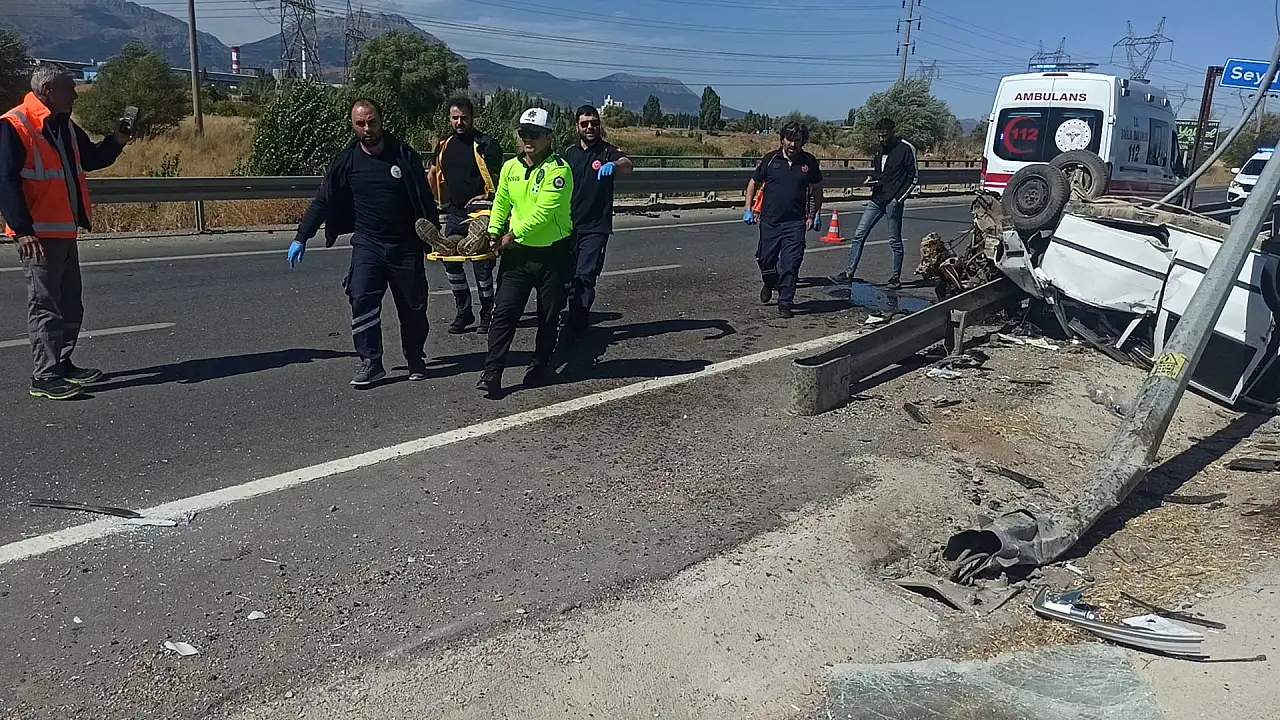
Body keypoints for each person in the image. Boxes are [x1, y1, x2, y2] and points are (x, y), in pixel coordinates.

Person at [0, 65, 131, 400]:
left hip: (63, 229)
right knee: (45, 306)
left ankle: (62, 362)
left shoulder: (64, 126)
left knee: (71, 303)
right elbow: (6, 182)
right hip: (38, 235)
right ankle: (44, 376)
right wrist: (23, 230)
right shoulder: (16, 124)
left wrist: (117, 140)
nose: (74, 94)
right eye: (68, 88)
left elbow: (90, 159)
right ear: (47, 90)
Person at [288, 98, 440, 387]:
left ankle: (415, 358)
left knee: (413, 306)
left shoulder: (403, 156)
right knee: (360, 297)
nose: (367, 128)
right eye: (361, 123)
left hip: (404, 246)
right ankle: (371, 361)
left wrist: (434, 238)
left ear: (381, 121)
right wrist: (301, 237)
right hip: (368, 245)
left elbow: (424, 201)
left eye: (372, 121)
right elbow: (323, 200)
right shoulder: (346, 162)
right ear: (353, 125)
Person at [476, 108, 574, 397]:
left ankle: (540, 365)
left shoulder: (559, 170)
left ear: (549, 137)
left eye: (535, 134)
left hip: (551, 254)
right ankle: (492, 372)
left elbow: (544, 212)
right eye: (523, 133)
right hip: (517, 256)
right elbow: (502, 203)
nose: (527, 139)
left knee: (548, 316)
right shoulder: (510, 168)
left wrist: (511, 235)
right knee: (503, 313)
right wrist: (494, 232)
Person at [427, 97, 504, 335]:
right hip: (455, 212)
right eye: (455, 118)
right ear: (450, 119)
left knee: (480, 264)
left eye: (464, 117)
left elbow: (503, 181)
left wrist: (487, 201)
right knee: (450, 258)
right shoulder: (444, 145)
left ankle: (487, 313)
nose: (459, 122)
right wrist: (437, 202)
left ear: (472, 117)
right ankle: (464, 311)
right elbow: (433, 174)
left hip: (481, 212)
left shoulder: (486, 144)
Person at [562, 105, 633, 336]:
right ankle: (566, 316)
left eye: (594, 123)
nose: (590, 127)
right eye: (585, 124)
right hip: (568, 225)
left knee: (585, 276)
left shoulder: (607, 152)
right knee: (565, 276)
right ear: (577, 127)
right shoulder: (570, 153)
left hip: (595, 227)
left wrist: (614, 165)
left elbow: (627, 164)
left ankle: (576, 325)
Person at [743, 121, 823, 319]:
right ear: (782, 139)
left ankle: (785, 302)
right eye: (789, 139)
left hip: (795, 222)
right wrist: (748, 209)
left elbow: (817, 190)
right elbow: (753, 182)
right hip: (770, 221)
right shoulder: (770, 160)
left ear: (803, 142)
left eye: (797, 140)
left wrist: (816, 214)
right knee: (765, 259)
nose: (793, 144)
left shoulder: (809, 162)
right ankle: (770, 281)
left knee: (791, 262)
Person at [835, 117, 918, 289]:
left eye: (884, 136)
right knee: (859, 234)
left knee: (894, 240)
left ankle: (895, 278)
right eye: (879, 136)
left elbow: (914, 177)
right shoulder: (879, 150)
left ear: (892, 133)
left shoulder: (906, 149)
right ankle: (849, 273)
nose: (881, 139)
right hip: (876, 198)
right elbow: (881, 173)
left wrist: (898, 199)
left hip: (893, 202)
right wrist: (872, 178)